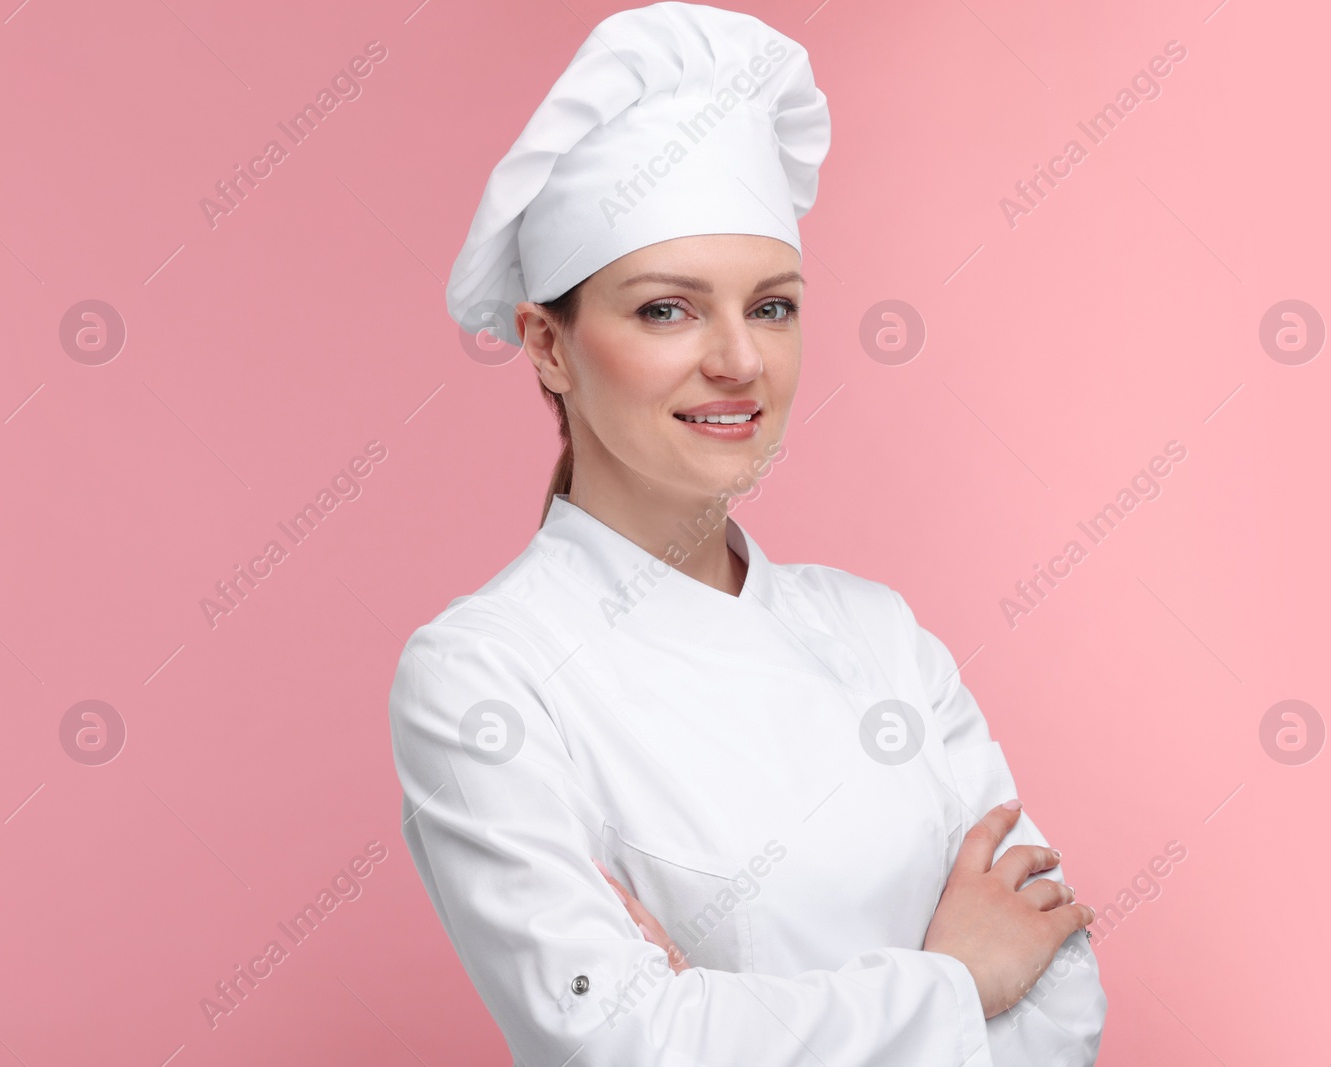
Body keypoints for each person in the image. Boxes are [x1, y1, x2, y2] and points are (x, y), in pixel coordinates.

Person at [388, 4, 1107, 1063]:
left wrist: (732, 1015)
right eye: (667, 310)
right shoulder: (483, 676)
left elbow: (1061, 991)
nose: (738, 361)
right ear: (546, 342)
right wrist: (956, 979)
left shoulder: (878, 632)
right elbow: (630, 1041)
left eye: (771, 306)